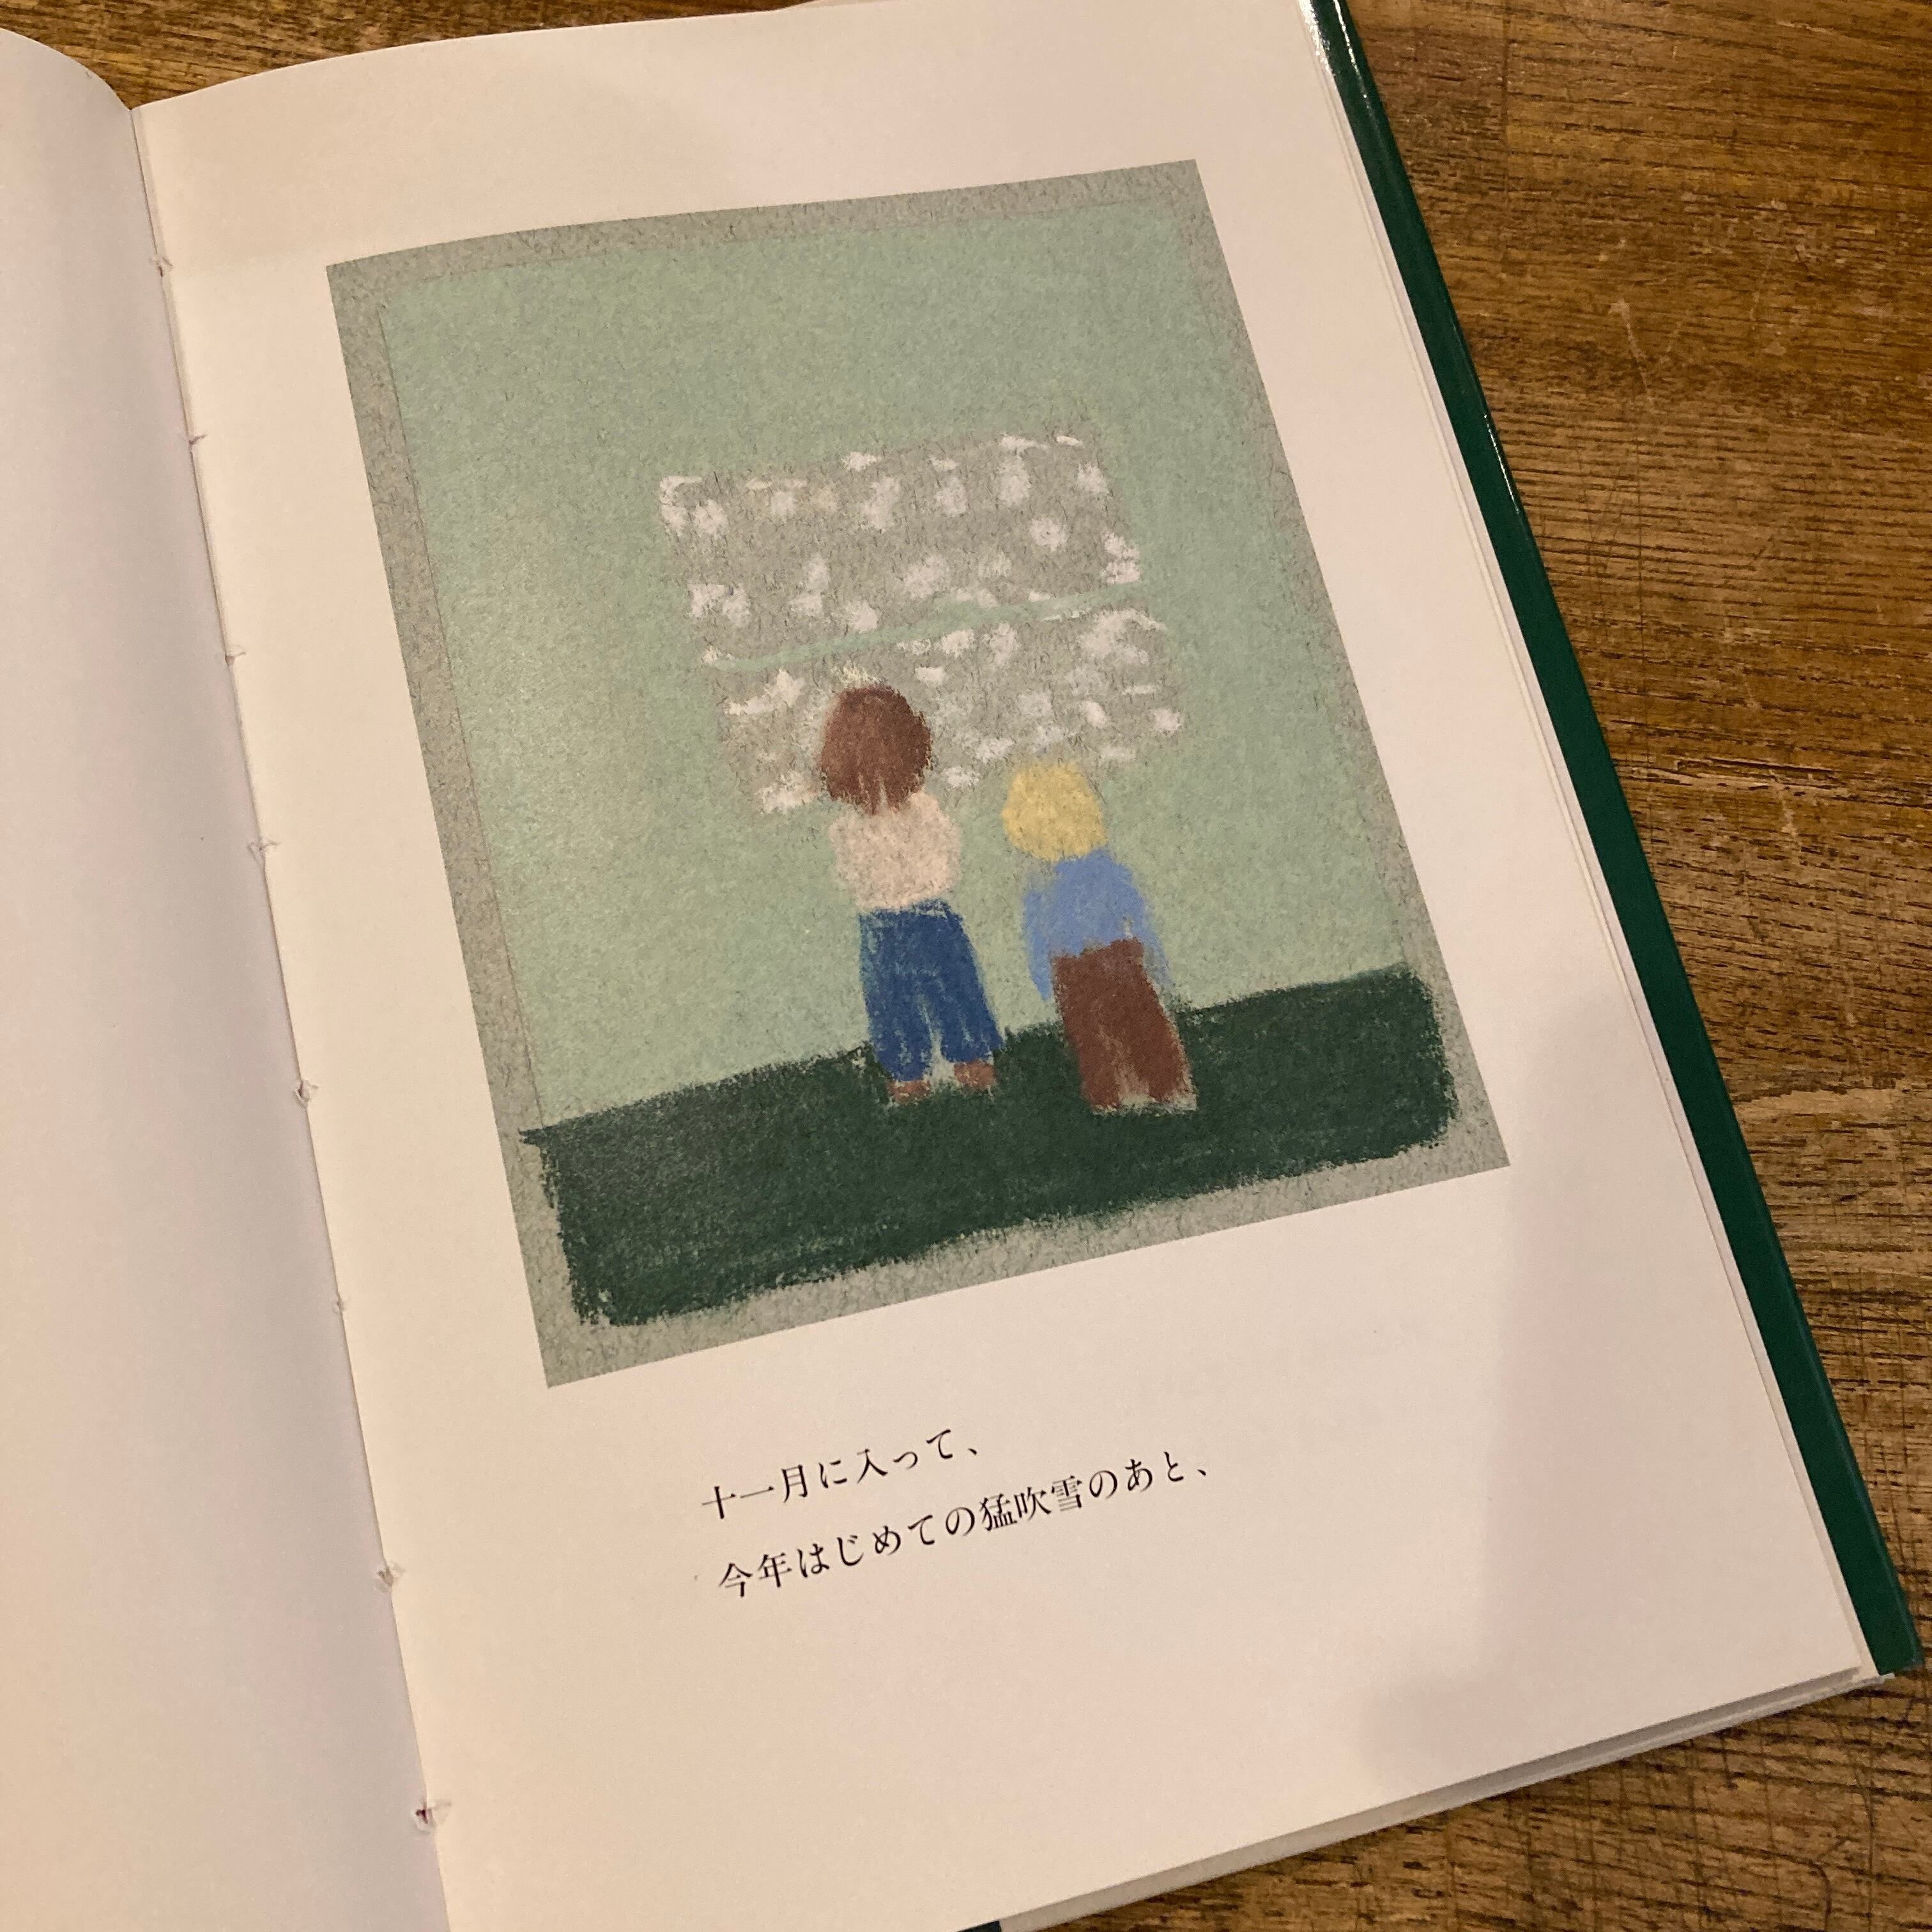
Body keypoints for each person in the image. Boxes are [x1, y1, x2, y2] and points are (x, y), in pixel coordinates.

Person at [819, 685, 1001, 1103]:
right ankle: (971, 1062)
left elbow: (851, 879)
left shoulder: (847, 827)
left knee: (893, 1003)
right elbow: (946, 861)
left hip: (881, 923)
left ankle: (909, 1077)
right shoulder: (925, 809)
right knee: (953, 990)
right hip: (929, 914)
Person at [1000, 762, 1193, 1114]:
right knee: (1141, 1028)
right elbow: (1139, 917)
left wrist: (1043, 978)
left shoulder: (1041, 884)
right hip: (1116, 959)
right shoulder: (1105, 868)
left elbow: (1036, 936)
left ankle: (1112, 1100)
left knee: (1094, 1039)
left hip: (1074, 969)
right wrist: (1158, 964)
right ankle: (1166, 1090)